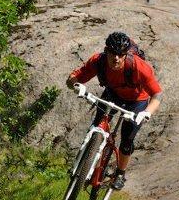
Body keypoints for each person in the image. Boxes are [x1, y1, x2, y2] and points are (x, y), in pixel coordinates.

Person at [66, 31, 162, 190]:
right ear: (106, 50)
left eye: (120, 54)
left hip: (137, 101)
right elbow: (75, 77)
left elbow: (157, 94)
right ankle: (84, 161)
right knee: (97, 125)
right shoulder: (98, 61)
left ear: (125, 54)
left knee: (126, 139)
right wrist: (76, 85)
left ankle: (120, 174)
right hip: (113, 94)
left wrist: (147, 113)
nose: (116, 58)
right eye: (112, 53)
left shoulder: (139, 67)